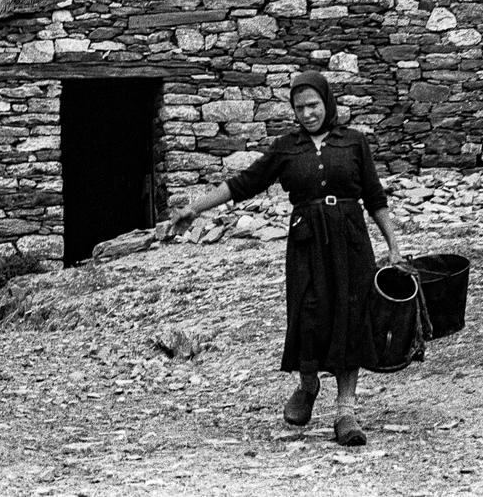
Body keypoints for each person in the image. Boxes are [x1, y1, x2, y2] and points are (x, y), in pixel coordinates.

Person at [170, 70, 402, 446]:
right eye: (300, 107)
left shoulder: (354, 143)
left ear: (328, 103)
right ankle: (308, 386)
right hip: (307, 243)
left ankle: (346, 412)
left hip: (351, 243)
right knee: (308, 315)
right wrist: (194, 209)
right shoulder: (286, 147)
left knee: (348, 316)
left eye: (313, 105)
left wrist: (393, 245)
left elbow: (374, 197)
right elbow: (244, 183)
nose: (308, 113)